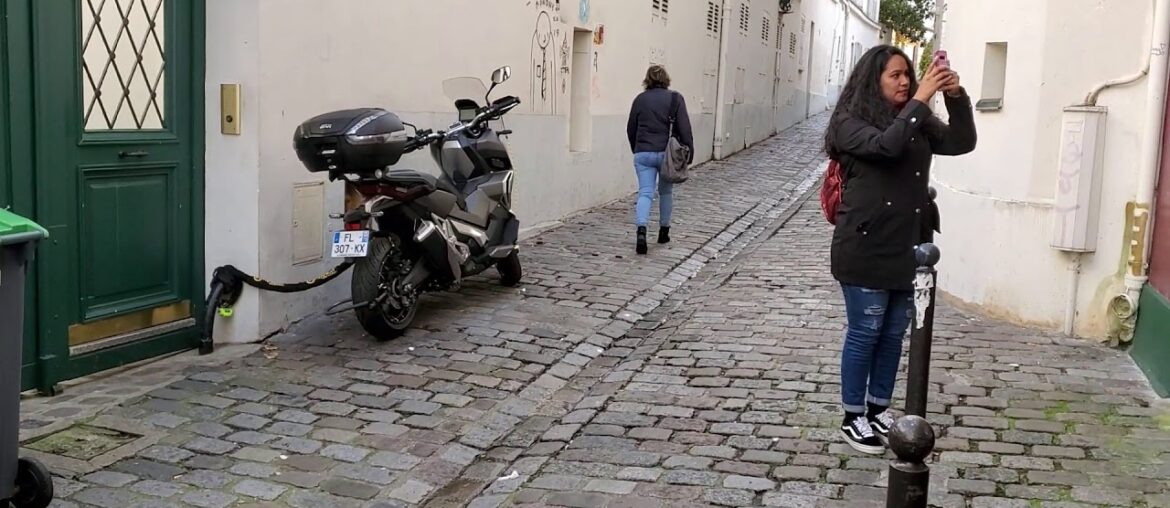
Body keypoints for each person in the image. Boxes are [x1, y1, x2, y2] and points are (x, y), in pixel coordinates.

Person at [823, 45, 976, 454]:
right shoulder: (848, 123)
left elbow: (962, 142)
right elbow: (887, 146)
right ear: (873, 81)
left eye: (908, 74)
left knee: (892, 335)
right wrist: (921, 100)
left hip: (907, 243)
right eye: (895, 75)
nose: (906, 81)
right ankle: (853, 416)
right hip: (866, 244)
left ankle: (878, 409)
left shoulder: (917, 119)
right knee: (865, 332)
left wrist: (955, 97)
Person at [626, 65, 694, 255]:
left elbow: (631, 127)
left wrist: (637, 148)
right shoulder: (675, 99)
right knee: (665, 192)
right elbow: (684, 129)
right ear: (666, 79)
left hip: (643, 152)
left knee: (645, 193)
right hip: (667, 154)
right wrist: (689, 152)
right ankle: (664, 231)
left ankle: (641, 231)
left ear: (647, 79)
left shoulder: (640, 100)